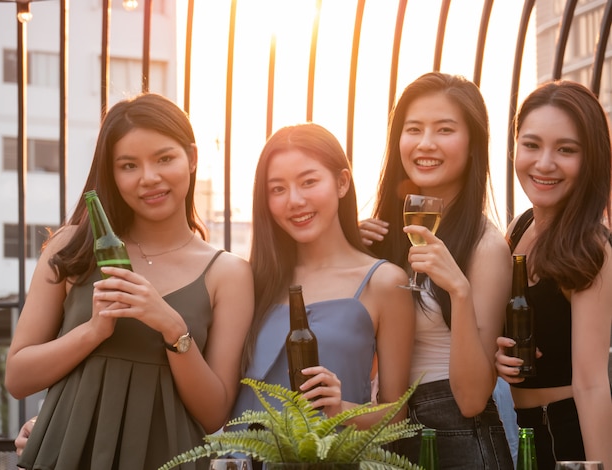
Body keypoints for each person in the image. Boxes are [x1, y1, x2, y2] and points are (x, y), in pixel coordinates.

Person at [5, 93, 254, 470]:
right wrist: (93, 331)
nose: (148, 178)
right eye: (128, 165)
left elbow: (214, 413)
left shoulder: (228, 273)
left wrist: (172, 328)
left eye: (164, 158)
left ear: (192, 157)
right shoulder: (72, 248)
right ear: (112, 173)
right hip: (69, 454)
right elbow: (18, 377)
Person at [360, 72, 514, 469]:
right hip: (383, 432)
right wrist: (349, 256)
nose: (425, 143)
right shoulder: (384, 234)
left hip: (456, 435)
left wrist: (458, 291)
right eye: (414, 129)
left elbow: (473, 398)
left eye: (444, 130)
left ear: (472, 143)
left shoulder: (486, 246)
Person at [229, 122, 416, 432]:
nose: (294, 200)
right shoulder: (253, 281)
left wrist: (339, 409)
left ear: (342, 183)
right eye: (277, 189)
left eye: (309, 182)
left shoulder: (384, 283)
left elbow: (396, 415)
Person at [495, 80, 612, 470]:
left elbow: (592, 383)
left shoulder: (591, 246)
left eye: (566, 150)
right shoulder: (519, 227)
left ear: (590, 157)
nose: (544, 163)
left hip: (571, 437)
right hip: (521, 431)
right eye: (531, 145)